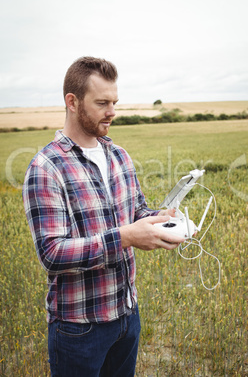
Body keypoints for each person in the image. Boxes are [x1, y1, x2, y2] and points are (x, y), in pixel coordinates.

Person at [22, 56, 184, 376]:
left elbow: (136, 210)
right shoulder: (46, 168)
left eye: (114, 102)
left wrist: (161, 218)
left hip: (127, 315)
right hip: (79, 328)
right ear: (72, 102)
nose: (112, 112)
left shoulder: (118, 155)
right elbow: (52, 254)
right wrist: (125, 237)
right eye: (102, 103)